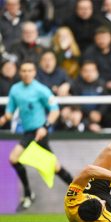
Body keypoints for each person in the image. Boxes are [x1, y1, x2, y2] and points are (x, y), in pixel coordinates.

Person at [0, 60, 73, 210]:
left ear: (34, 72)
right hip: (28, 132)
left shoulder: (41, 90)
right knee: (51, 166)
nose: (26, 73)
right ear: (20, 72)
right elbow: (10, 112)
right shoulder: (15, 89)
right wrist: (3, 119)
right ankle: (29, 194)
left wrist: (45, 126)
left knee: (53, 166)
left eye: (30, 70)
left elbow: (55, 110)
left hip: (40, 132)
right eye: (24, 70)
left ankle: (78, 190)